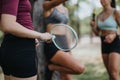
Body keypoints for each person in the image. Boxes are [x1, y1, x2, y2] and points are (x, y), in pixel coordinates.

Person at [0, 0, 52, 80]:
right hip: (20, 48)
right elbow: (7, 24)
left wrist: (29, 36)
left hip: (14, 45)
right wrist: (40, 35)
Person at [43, 0, 85, 80]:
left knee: (66, 77)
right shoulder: (47, 5)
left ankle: (52, 67)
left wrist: (69, 49)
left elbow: (66, 29)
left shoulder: (65, 9)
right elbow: (55, 3)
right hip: (53, 43)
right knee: (80, 68)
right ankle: (51, 67)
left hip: (64, 43)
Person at [90, 0, 120, 80]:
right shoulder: (98, 15)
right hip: (104, 43)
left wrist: (114, 35)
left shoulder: (115, 12)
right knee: (110, 74)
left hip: (115, 42)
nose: (101, 0)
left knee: (114, 73)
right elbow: (97, 33)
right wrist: (92, 27)